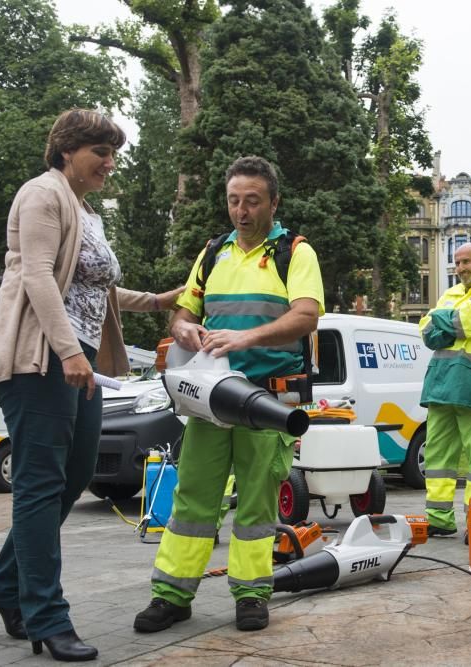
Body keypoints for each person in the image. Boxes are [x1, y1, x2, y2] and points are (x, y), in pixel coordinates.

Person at [0, 108, 182, 662]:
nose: (110, 163)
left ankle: (3, 586)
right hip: (38, 359)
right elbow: (39, 276)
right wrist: (69, 351)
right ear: (68, 149)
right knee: (41, 486)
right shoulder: (42, 194)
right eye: (102, 152)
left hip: (77, 361)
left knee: (72, 478)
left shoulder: (87, 211)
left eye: (113, 153)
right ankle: (47, 616)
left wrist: (159, 301)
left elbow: (93, 289)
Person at [133, 156, 324, 634]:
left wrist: (244, 339)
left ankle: (252, 595)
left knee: (258, 504)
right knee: (193, 497)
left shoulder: (295, 252)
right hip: (211, 397)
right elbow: (180, 313)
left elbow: (306, 316)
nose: (241, 210)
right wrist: (183, 330)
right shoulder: (213, 252)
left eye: (252, 201)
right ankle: (172, 595)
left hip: (266, 401)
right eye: (234, 200)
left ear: (273, 203)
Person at [418, 243, 471, 537]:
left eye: (467, 261)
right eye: (457, 262)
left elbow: (463, 322)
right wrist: (447, 323)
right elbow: (427, 332)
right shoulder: (450, 294)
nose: (461, 267)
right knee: (438, 456)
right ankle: (438, 518)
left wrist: (444, 321)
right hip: (442, 384)